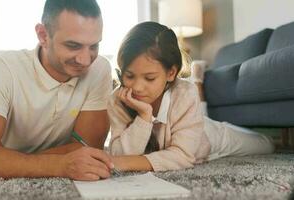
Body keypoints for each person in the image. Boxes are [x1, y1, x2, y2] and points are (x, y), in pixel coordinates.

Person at [0, 0, 115, 180]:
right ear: (43, 35)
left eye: (94, 46)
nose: (86, 60)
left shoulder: (99, 68)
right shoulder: (0, 68)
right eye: (73, 46)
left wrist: (7, 161)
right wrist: (59, 165)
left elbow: (88, 148)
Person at [108, 21, 275, 172]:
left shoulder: (185, 92)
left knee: (267, 145)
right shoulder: (118, 100)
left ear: (171, 73)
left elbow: (182, 156)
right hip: (190, 121)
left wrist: (127, 162)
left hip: (209, 136)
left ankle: (200, 90)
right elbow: (118, 154)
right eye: (129, 76)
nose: (137, 87)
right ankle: (199, 92)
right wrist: (144, 117)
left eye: (149, 78)